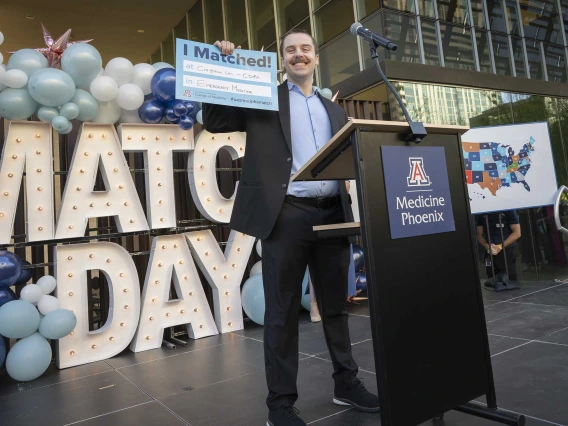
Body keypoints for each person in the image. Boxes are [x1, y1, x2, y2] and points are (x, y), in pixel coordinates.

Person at [204, 29, 379, 426]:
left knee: (334, 307)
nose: (298, 55)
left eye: (305, 49)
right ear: (282, 59)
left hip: (332, 213)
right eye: (290, 50)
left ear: (316, 58)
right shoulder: (263, 97)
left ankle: (346, 383)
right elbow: (215, 120)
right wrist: (220, 65)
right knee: (282, 313)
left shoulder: (334, 110)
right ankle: (280, 405)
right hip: (286, 214)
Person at [476, 210, 522, 283]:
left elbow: (517, 233)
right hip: (490, 252)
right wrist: (486, 246)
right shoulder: (481, 211)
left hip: (507, 251)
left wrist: (500, 246)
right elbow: (479, 234)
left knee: (509, 281)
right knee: (492, 280)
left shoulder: (509, 209)